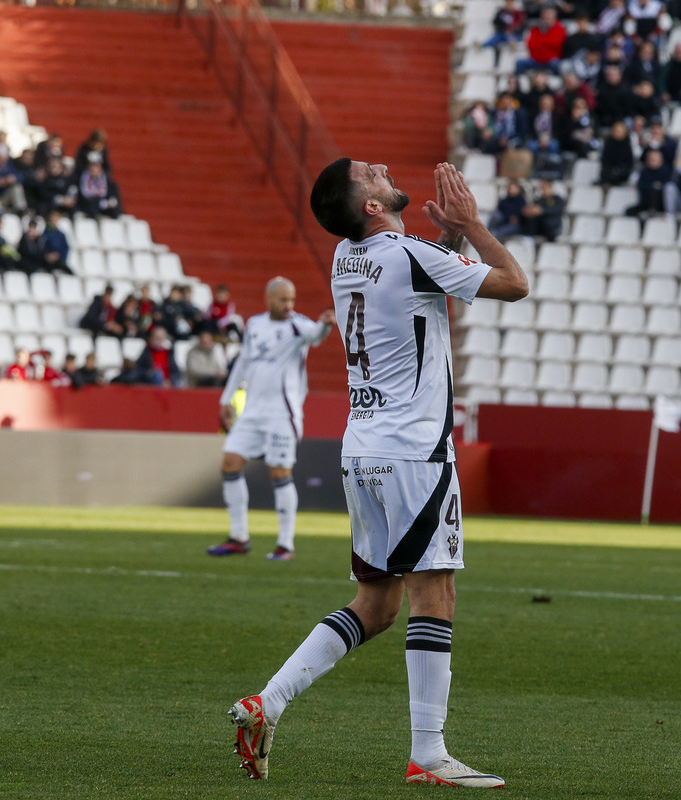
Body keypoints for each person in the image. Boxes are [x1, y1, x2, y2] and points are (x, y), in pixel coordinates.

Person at [225, 160, 527, 787]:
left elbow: (416, 281)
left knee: (378, 603)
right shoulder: (408, 254)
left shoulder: (347, 257)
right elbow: (513, 283)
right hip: (415, 453)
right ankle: (429, 754)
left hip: (363, 449)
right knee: (433, 596)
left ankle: (267, 703)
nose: (383, 169)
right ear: (369, 206)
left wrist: (447, 241)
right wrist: (470, 224)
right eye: (370, 173)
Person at [207, 277, 335, 560]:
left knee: (279, 472)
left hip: (282, 413)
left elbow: (315, 335)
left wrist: (325, 324)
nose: (289, 305)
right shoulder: (254, 325)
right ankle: (239, 537)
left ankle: (285, 544)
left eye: (292, 299)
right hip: (252, 411)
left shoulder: (298, 325)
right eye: (283, 300)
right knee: (230, 464)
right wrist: (226, 398)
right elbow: (243, 360)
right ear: (269, 300)